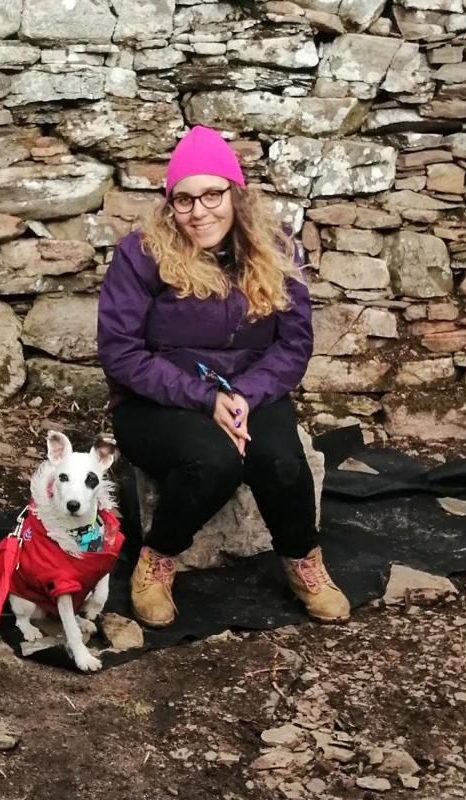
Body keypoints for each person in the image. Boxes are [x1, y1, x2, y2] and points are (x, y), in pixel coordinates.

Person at [96, 125, 350, 628]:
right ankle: (157, 561)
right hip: (158, 398)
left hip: (251, 389)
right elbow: (120, 351)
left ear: (235, 195)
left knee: (279, 459)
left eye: (212, 194)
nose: (199, 211)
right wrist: (203, 397)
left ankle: (304, 564)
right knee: (212, 461)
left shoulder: (275, 249)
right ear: (170, 205)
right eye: (184, 199)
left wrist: (246, 395)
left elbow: (293, 343)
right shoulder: (141, 253)